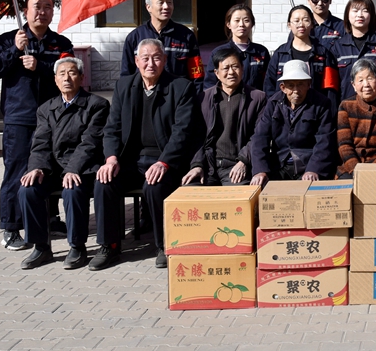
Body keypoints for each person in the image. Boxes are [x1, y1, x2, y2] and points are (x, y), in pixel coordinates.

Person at [91, 39, 202, 271]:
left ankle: (164, 245)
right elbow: (112, 128)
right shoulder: (124, 86)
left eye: (156, 57)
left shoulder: (181, 87)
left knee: (155, 185)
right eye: (145, 58)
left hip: (164, 159)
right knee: (104, 182)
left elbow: (182, 132)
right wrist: (111, 159)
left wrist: (164, 162)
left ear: (165, 60)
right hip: (130, 160)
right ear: (136, 61)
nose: (151, 63)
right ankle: (109, 246)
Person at [0, 0, 73, 251]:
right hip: (19, 118)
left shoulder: (60, 43)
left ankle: (50, 217)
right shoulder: (8, 39)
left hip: (53, 117)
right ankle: (12, 227)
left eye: (48, 7)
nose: (42, 12)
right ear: (25, 11)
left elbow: (68, 72)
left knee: (52, 167)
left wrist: (41, 66)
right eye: (37, 7)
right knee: (17, 171)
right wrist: (14, 49)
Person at [17, 57, 108, 270]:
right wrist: (37, 168)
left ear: (82, 77)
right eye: (62, 74)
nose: (67, 78)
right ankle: (41, 246)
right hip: (52, 169)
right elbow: (40, 143)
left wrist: (73, 169)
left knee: (73, 189)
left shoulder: (97, 105)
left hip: (83, 168)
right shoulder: (46, 108)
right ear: (55, 80)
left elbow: (90, 143)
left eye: (72, 73)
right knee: (28, 189)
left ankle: (77, 246)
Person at [183, 47, 268, 187]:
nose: (231, 72)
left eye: (235, 67)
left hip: (237, 165)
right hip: (208, 165)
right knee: (189, 190)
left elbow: (259, 135)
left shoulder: (257, 98)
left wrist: (244, 161)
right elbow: (196, 136)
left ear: (242, 69)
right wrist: (197, 165)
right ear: (216, 73)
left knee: (239, 195)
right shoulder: (203, 98)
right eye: (226, 68)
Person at [249, 60, 338, 183]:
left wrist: (313, 169)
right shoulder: (273, 103)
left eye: (300, 84)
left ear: (308, 84)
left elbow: (325, 141)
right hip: (279, 164)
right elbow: (260, 137)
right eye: (291, 85)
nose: (296, 90)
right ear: (283, 88)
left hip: (308, 164)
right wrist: (260, 170)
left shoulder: (322, 104)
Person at [121, 0, 204, 90]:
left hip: (178, 94)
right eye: (161, 2)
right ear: (148, 7)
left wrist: (196, 96)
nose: (166, 7)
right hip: (145, 94)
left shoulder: (186, 36)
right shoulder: (135, 37)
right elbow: (126, 74)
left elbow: (196, 73)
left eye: (169, 2)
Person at [264, 6, 340, 104]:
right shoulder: (280, 54)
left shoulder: (323, 53)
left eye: (305, 20)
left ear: (312, 24)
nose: (301, 24)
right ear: (289, 25)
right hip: (284, 109)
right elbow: (269, 85)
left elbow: (330, 87)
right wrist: (274, 108)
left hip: (316, 108)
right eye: (296, 21)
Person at [329, 0, 376, 102]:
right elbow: (333, 85)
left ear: (371, 15)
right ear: (347, 15)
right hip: (348, 106)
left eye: (365, 10)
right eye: (355, 11)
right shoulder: (338, 47)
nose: (360, 15)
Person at [202, 4, 270, 91]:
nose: (241, 24)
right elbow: (210, 84)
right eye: (237, 20)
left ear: (252, 24)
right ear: (228, 24)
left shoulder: (261, 52)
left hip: (256, 99)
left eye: (246, 20)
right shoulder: (219, 52)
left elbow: (268, 82)